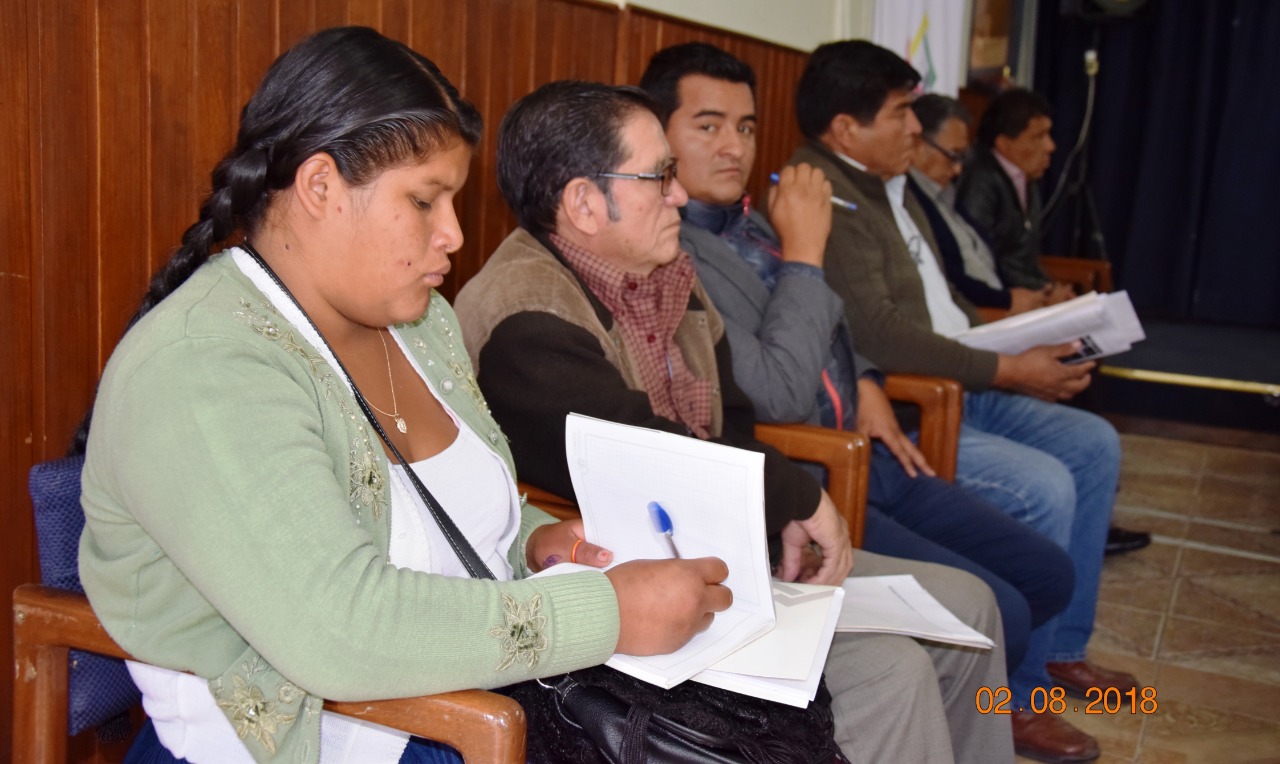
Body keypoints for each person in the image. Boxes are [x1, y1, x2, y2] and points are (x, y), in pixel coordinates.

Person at [75, 27, 732, 764]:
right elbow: (339, 632)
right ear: (320, 187)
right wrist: (609, 613)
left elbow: (433, 513)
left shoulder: (419, 324)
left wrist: (532, 539)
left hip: (468, 709)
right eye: (424, 201)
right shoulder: (207, 365)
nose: (453, 234)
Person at [454, 78, 1015, 764]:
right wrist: (796, 496)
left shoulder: (669, 275)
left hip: (722, 545)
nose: (679, 195)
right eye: (659, 176)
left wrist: (776, 517)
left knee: (969, 605)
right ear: (583, 203)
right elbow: (643, 453)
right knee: (896, 669)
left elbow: (733, 425)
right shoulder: (524, 314)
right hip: (633, 588)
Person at [638, 39, 1079, 747]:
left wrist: (867, 377)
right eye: (708, 125)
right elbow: (779, 393)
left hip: (869, 450)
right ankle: (968, 722)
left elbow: (843, 324)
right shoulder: (672, 250)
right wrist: (805, 254)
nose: (734, 147)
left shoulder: (753, 221)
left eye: (746, 126)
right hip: (815, 477)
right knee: (1002, 612)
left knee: (1047, 573)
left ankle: (979, 711)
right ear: (659, 138)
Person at [789, 39, 1139, 763]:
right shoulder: (829, 196)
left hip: (967, 369)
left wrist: (1021, 330)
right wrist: (1009, 367)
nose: (915, 129)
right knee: (1044, 486)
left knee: (1093, 444)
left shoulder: (893, 184)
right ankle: (1018, 697)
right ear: (846, 129)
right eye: (901, 114)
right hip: (928, 400)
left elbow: (946, 299)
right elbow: (879, 334)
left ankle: (1061, 651)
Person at [913, 93, 1152, 558]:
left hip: (986, 323)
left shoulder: (938, 193)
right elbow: (962, 280)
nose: (1051, 147)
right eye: (1039, 136)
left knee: (1094, 424)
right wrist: (1020, 305)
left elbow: (970, 272)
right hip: (961, 354)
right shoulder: (945, 189)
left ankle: (1093, 518)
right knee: (1046, 482)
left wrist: (1039, 296)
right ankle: (1086, 517)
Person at [908, 94, 1065, 314]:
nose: (958, 169)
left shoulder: (946, 193)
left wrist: (1041, 292)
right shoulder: (910, 199)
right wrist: (1011, 300)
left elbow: (990, 260)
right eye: (953, 155)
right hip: (982, 312)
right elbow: (947, 277)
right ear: (917, 145)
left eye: (962, 158)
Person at [954, 88, 1064, 293]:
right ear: (1004, 144)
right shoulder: (979, 181)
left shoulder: (1026, 178)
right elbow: (981, 257)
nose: (1050, 146)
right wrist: (1043, 291)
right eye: (1038, 137)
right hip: (999, 299)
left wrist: (1050, 286)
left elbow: (1024, 259)